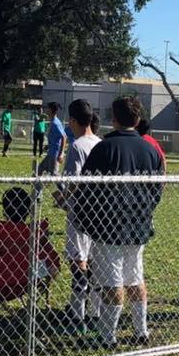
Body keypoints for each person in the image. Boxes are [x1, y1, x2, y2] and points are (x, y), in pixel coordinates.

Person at [72, 96, 163, 348]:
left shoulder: (104, 148)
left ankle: (108, 337)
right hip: (139, 226)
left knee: (112, 284)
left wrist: (85, 221)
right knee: (135, 277)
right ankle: (140, 331)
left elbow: (86, 191)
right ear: (137, 119)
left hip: (108, 226)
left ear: (114, 118)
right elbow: (157, 191)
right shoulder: (150, 150)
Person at [53, 99, 103, 330]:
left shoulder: (77, 146)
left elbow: (73, 181)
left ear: (73, 120)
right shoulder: (101, 144)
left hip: (79, 212)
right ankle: (93, 313)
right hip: (100, 213)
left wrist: (61, 198)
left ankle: (76, 315)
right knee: (93, 262)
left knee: (78, 261)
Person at [39, 102, 66, 175]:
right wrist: (48, 145)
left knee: (54, 175)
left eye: (47, 108)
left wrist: (61, 153)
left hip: (55, 154)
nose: (46, 110)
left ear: (51, 110)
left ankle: (64, 186)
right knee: (39, 169)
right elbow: (55, 137)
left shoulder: (55, 123)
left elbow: (64, 136)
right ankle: (37, 186)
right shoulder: (53, 121)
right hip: (51, 152)